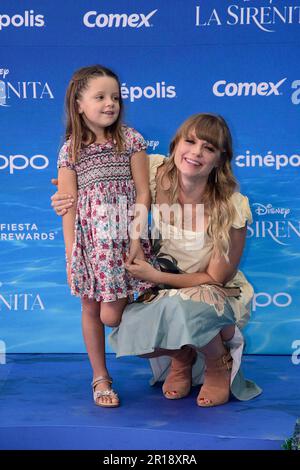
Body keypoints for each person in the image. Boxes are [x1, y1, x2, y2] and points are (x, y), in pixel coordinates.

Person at [52, 113, 262, 407]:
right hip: (162, 286)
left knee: (187, 305)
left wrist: (155, 276)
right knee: (118, 325)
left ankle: (218, 363)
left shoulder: (232, 206)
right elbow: (96, 179)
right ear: (175, 145)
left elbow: (216, 278)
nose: (196, 152)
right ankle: (182, 356)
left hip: (211, 292)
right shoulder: (153, 172)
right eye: (190, 141)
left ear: (220, 158)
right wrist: (66, 194)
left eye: (209, 148)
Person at [56, 64, 155, 408]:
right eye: (100, 97)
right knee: (90, 305)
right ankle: (100, 378)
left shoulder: (131, 139)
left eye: (115, 97)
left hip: (126, 235)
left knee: (111, 314)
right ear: (79, 103)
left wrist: (135, 238)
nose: (110, 103)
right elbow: (68, 205)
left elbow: (144, 193)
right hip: (91, 243)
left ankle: (175, 357)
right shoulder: (70, 150)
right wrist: (72, 253)